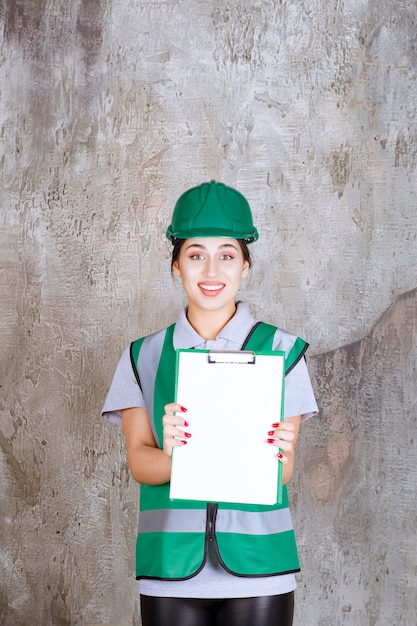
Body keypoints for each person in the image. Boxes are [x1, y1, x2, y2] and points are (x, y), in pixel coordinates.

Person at [102, 180, 318, 626]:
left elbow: (283, 470)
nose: (211, 269)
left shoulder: (283, 351)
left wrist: (276, 454)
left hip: (260, 568)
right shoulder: (143, 355)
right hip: (170, 569)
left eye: (227, 254)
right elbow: (140, 463)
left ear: (246, 266)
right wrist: (174, 454)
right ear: (176, 266)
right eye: (196, 254)